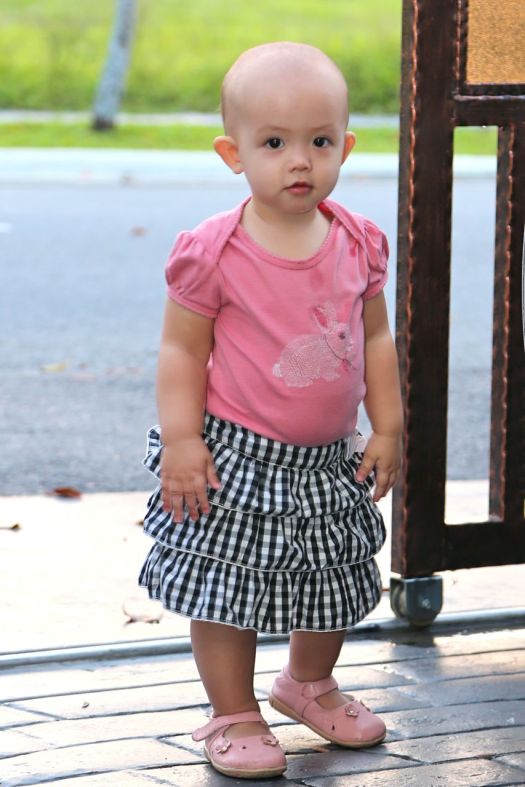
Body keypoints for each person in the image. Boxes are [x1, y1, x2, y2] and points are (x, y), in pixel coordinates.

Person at [139, 41, 403, 780]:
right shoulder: (215, 251)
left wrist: (387, 425)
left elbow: (375, 339)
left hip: (327, 458)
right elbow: (181, 350)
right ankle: (233, 710)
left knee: (330, 575)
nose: (300, 162)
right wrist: (182, 440)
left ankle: (307, 683)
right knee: (230, 586)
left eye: (319, 142)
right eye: (275, 143)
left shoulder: (356, 242)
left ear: (345, 146)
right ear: (234, 153)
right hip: (238, 456)